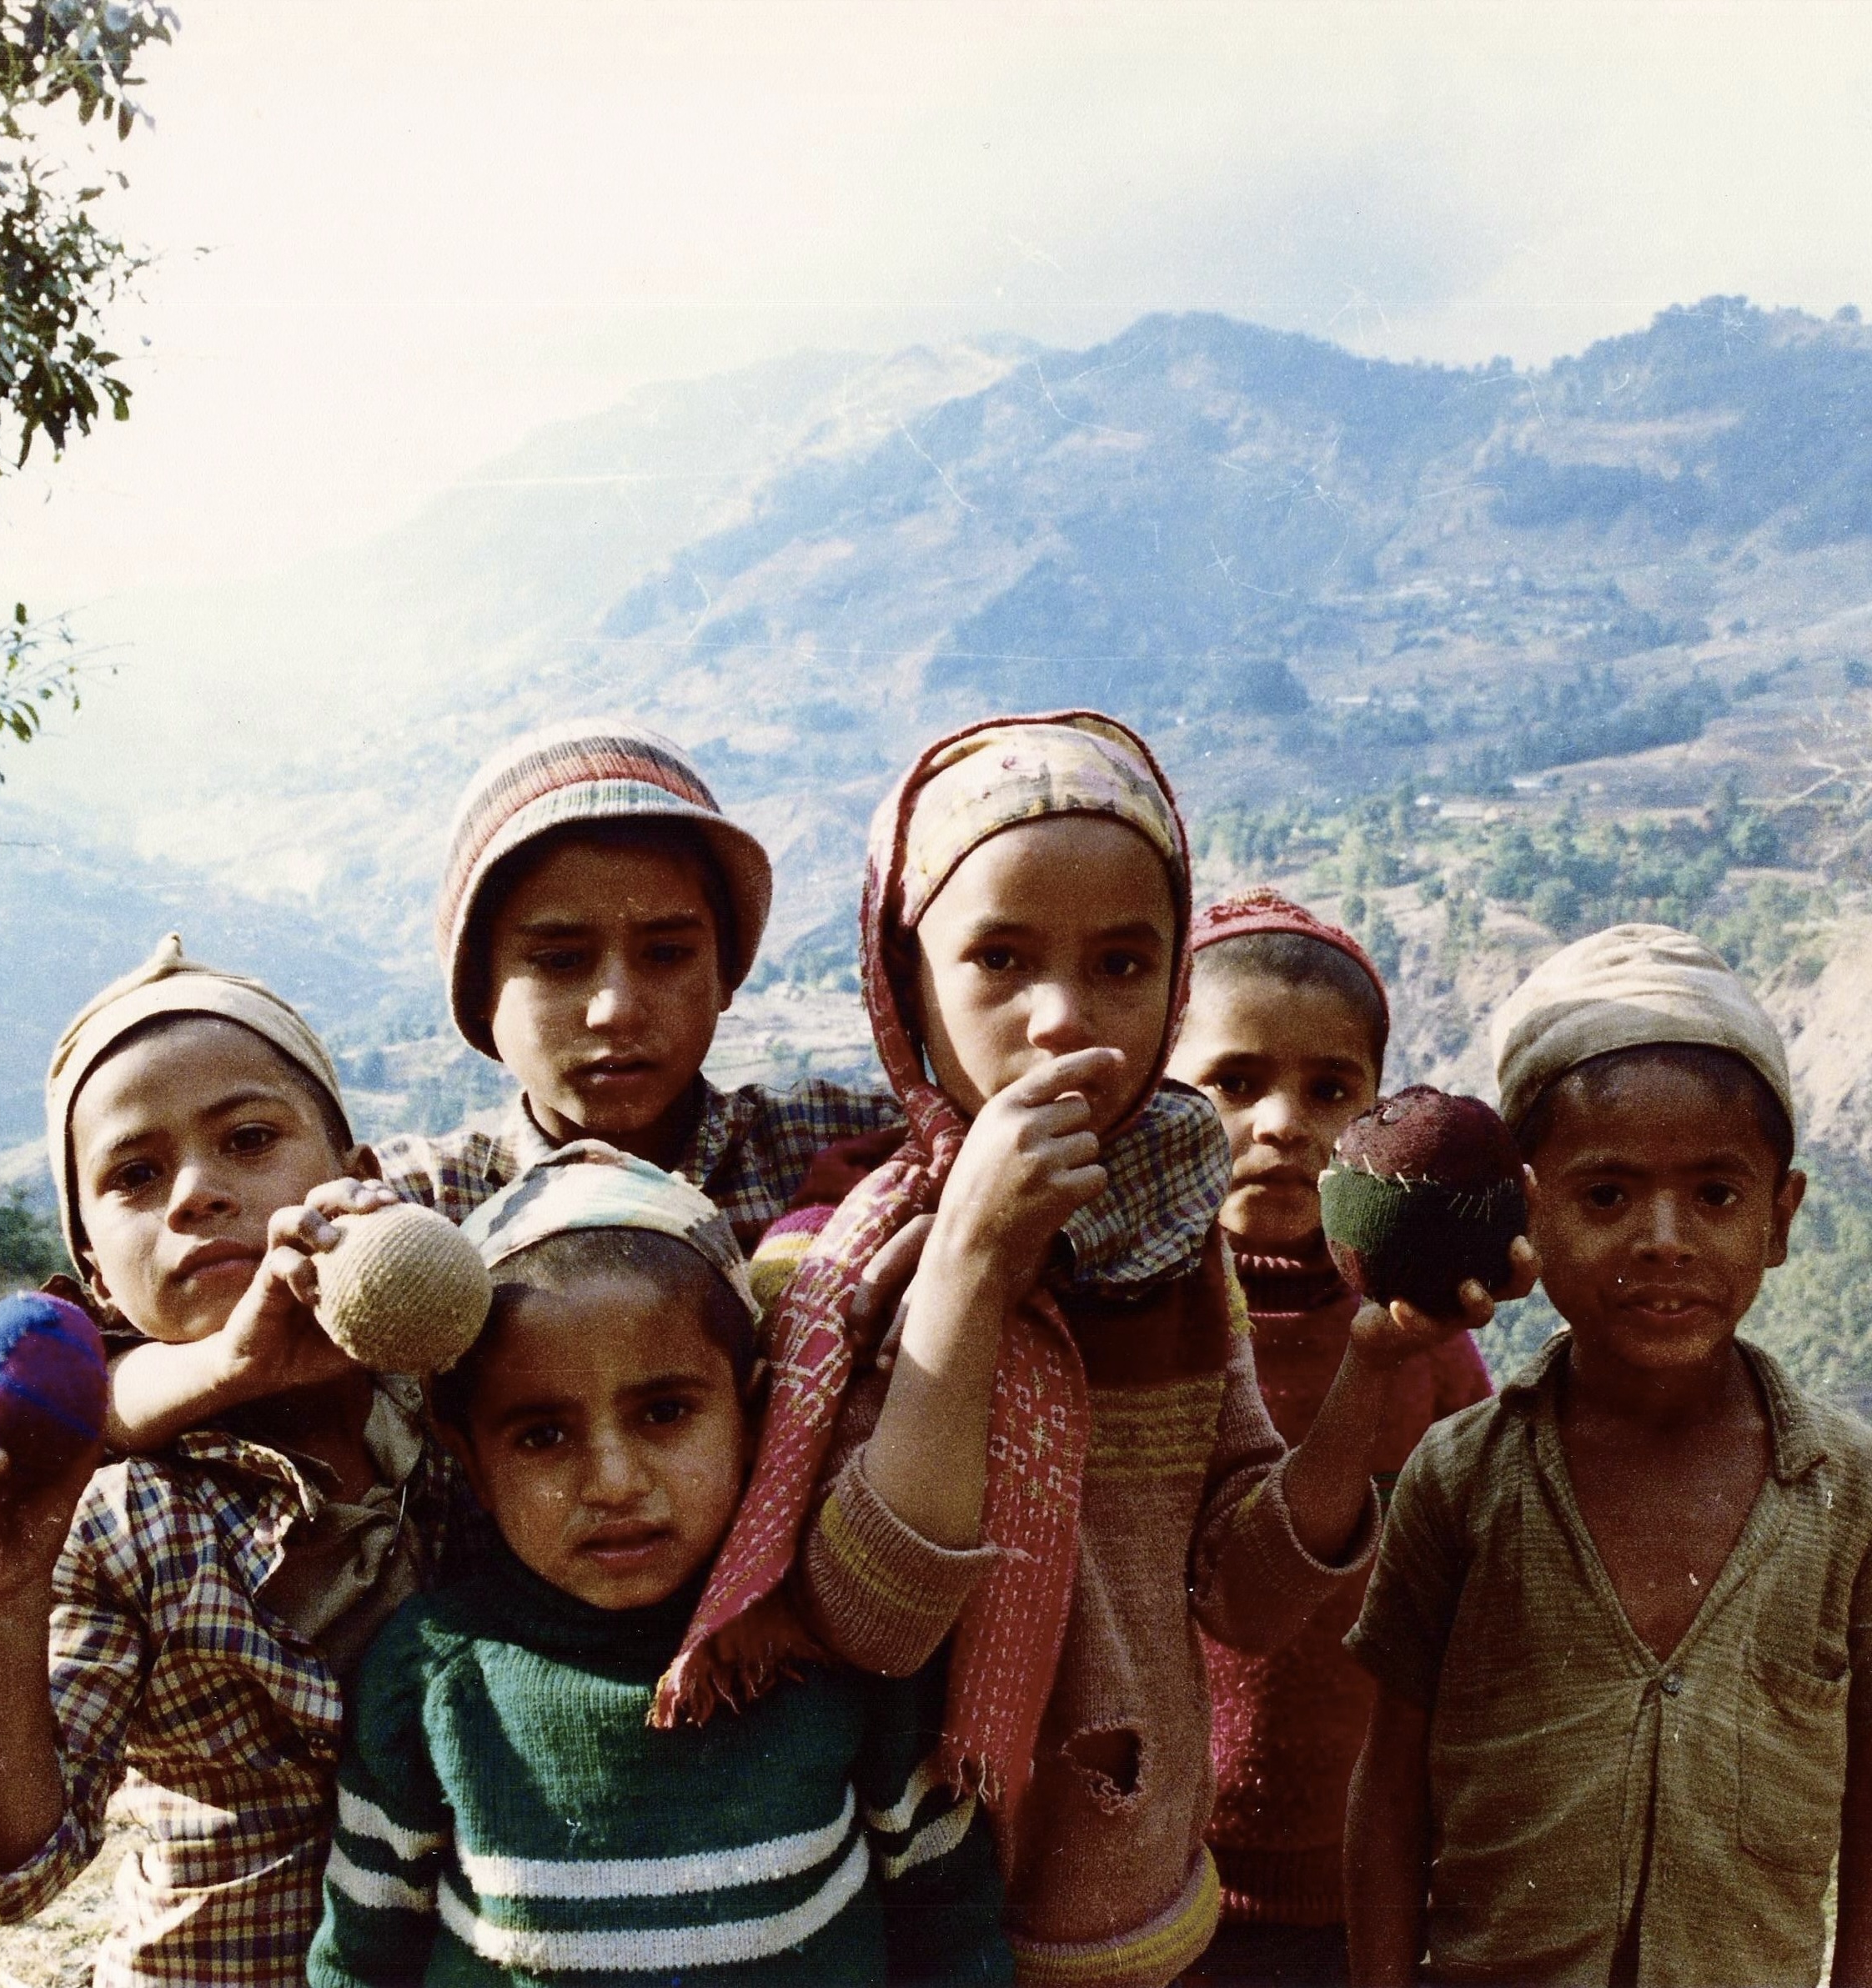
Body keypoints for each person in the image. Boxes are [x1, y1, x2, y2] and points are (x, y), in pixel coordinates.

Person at [655, 713, 1525, 1988]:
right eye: (1000, 960)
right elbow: (873, 1619)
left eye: (1122, 963)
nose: (1063, 1020)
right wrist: (970, 1262)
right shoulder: (832, 1269)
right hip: (902, 1921)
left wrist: (1372, 1370)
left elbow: (1245, 1595)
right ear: (907, 982)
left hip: (1127, 1906)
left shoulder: (1176, 1258)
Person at [0, 936, 466, 1988]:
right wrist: (5, 1608)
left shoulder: (459, 1385)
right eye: (135, 1174)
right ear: (93, 1273)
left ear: (356, 1180)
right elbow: (10, 1865)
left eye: (249, 1138)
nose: (196, 1192)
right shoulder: (122, 1517)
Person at [308, 1144, 1010, 1988]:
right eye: (542, 1435)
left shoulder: (836, 1649)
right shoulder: (431, 1675)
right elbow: (362, 1956)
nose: (613, 1482)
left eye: (665, 1412)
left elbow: (949, 1927)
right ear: (472, 1463)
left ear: (752, 1416)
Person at [1344, 922, 1872, 1988]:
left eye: (1714, 1194)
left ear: (1779, 1217)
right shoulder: (1460, 1478)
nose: (1662, 1237)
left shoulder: (1848, 1491)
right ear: (1526, 1209)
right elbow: (1389, 1788)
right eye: (1604, 1195)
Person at [1172, 891, 1492, 1988]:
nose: (1280, 1122)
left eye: (1329, 1089)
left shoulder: (1418, 1337)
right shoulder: (1134, 1321)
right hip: (1151, 1883)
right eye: (1234, 1082)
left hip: (1360, 1880)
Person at [376, 718, 901, 1249]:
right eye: (560, 961)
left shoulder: (855, 1152)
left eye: (667, 954)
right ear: (478, 990)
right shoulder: (417, 1207)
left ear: (725, 970)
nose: (616, 1010)